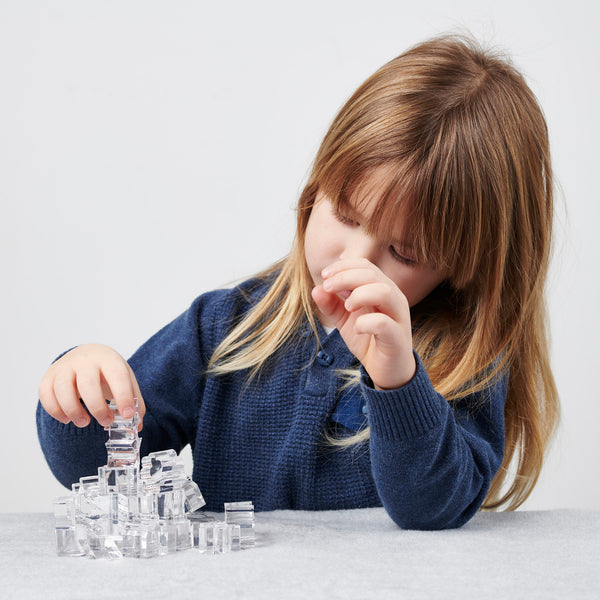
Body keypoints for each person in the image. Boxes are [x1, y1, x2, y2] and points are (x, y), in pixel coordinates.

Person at [37, 34, 559, 530]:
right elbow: (95, 467)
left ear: (466, 270)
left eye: (404, 252)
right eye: (347, 216)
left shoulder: (468, 357)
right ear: (315, 191)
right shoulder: (224, 325)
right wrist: (79, 389)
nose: (357, 260)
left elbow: (433, 509)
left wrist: (398, 383)